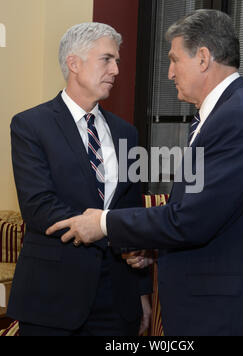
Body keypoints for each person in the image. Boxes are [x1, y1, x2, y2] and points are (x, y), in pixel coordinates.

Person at [47, 10, 243, 336]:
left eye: (175, 60)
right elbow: (210, 215)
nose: (169, 73)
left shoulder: (239, 118)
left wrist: (103, 223)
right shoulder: (230, 113)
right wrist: (153, 251)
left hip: (231, 317)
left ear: (203, 58)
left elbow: (191, 220)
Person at [7, 22, 152, 336]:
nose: (115, 69)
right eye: (107, 59)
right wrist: (112, 232)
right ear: (74, 63)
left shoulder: (126, 132)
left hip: (117, 301)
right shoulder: (30, 126)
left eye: (117, 61)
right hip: (52, 301)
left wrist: (142, 292)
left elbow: (132, 209)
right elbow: (39, 207)